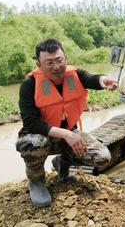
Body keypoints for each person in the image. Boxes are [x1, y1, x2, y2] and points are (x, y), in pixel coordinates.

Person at [15, 38, 118, 207]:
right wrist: (68, 134)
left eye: (59, 60)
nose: (56, 67)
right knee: (34, 143)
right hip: (40, 137)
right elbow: (31, 123)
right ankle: (37, 181)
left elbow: (93, 79)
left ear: (66, 58)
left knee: (102, 157)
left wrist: (104, 80)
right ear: (38, 64)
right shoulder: (29, 85)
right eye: (49, 62)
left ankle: (62, 165)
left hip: (67, 135)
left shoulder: (75, 75)